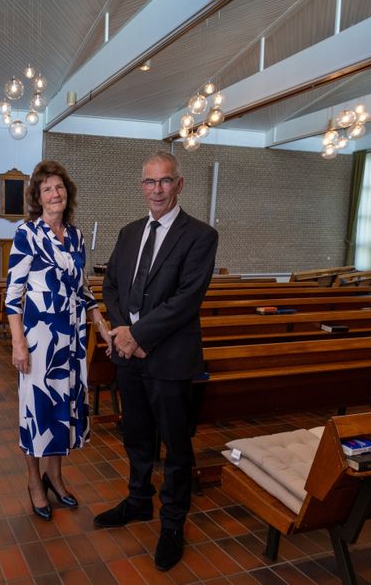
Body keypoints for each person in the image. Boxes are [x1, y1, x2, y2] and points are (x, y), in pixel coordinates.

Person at [94, 151, 218, 571]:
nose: (157, 189)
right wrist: (121, 331)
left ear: (179, 184)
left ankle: (172, 523)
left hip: (170, 358)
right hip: (130, 357)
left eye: (165, 181)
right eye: (150, 182)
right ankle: (137, 501)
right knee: (137, 435)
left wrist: (137, 335)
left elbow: (187, 300)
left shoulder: (200, 235)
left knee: (176, 446)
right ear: (141, 186)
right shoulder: (129, 232)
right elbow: (111, 285)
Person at [5, 160, 111, 521]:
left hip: (72, 337)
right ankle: (34, 480)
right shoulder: (27, 233)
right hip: (39, 337)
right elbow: (12, 294)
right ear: (38, 196)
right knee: (37, 410)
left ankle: (56, 475)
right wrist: (18, 342)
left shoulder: (76, 235)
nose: (55, 193)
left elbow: (83, 288)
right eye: (48, 188)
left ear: (68, 192)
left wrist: (99, 319)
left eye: (60, 187)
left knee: (62, 408)